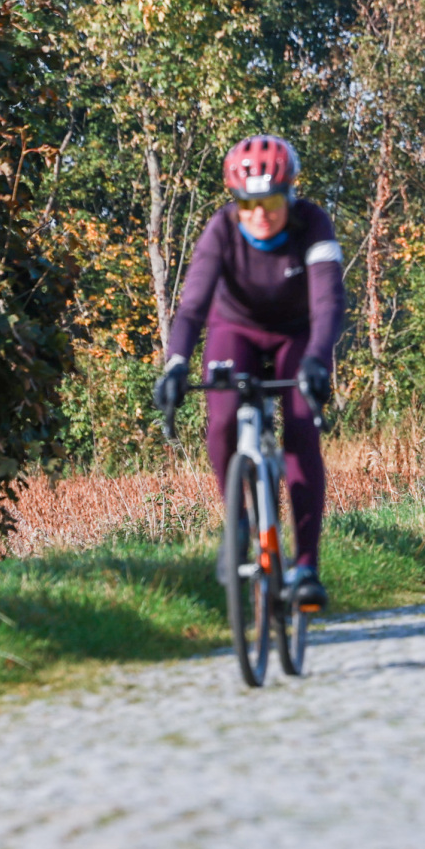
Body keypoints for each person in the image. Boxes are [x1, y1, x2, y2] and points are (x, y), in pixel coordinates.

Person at [152, 136, 346, 608]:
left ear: (289, 196)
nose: (260, 214)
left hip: (297, 334)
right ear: (235, 202)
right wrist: (175, 363)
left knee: (301, 431)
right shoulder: (221, 228)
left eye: (272, 203)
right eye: (247, 204)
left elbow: (328, 303)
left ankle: (306, 568)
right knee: (221, 418)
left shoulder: (312, 223)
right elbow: (193, 305)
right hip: (234, 329)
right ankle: (238, 520)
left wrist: (317, 359)